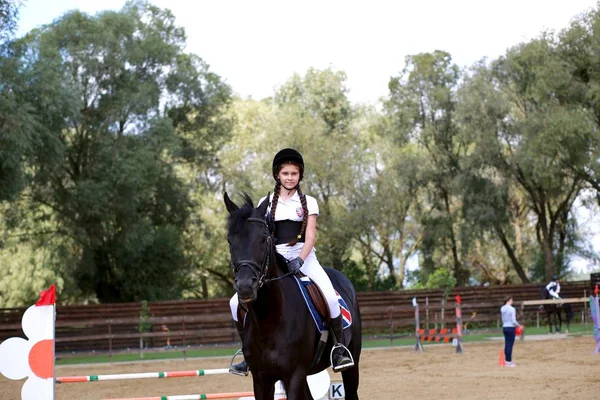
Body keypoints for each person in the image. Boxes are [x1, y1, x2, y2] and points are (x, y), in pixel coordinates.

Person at [228, 148, 354, 376]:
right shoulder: (265, 202)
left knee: (331, 297)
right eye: (285, 173)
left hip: (304, 258)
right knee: (235, 303)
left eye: (294, 173)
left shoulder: (310, 202)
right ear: (278, 175)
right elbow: (259, 235)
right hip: (274, 260)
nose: (289, 177)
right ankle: (248, 352)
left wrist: (300, 259)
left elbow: (311, 236)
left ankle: (338, 348)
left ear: (300, 176)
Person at [501, 296, 523, 367]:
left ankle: (506, 360)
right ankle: (509, 362)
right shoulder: (512, 309)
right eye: (512, 300)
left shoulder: (502, 308)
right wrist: (519, 326)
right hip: (511, 327)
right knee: (510, 345)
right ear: (509, 300)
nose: (512, 301)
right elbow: (513, 321)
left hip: (505, 327)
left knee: (507, 344)